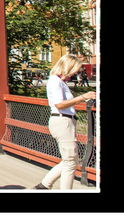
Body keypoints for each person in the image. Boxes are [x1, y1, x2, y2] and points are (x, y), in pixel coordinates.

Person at [33, 55, 98, 189]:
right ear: (68, 67)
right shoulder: (55, 81)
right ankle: (49, 187)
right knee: (70, 162)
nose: (76, 73)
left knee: (70, 160)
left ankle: (43, 186)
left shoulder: (59, 82)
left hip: (66, 122)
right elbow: (59, 104)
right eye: (75, 69)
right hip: (62, 121)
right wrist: (82, 97)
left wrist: (81, 99)